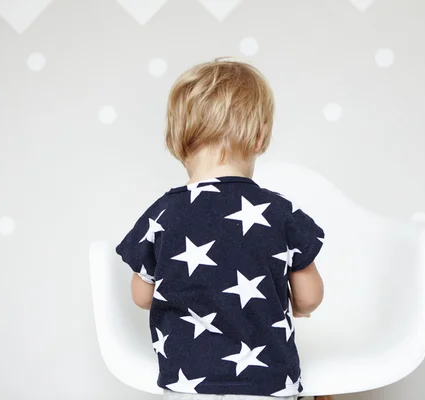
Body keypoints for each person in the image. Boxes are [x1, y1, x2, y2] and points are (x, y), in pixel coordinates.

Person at [116, 58, 326, 400]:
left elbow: (142, 296)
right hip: (266, 385)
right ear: (259, 138)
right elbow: (310, 295)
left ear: (177, 139)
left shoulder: (162, 214)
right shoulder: (279, 212)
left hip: (186, 384)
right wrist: (300, 308)